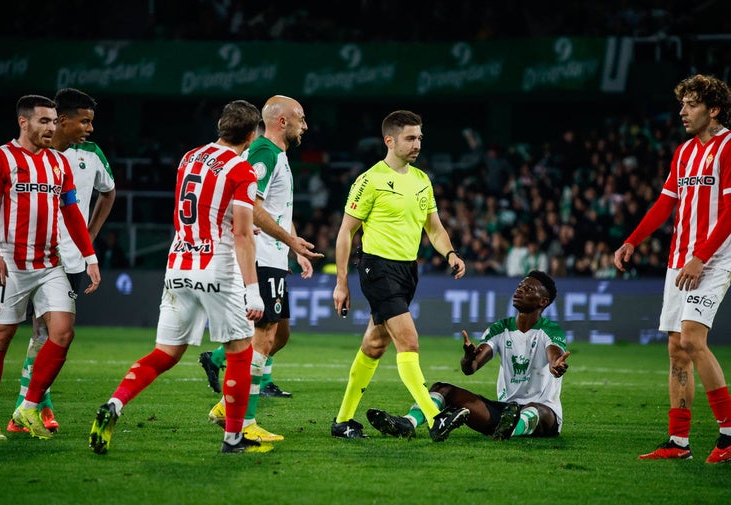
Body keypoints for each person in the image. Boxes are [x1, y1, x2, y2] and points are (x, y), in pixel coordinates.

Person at [88, 99, 272, 455]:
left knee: (166, 353)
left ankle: (115, 403)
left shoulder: (190, 157)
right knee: (239, 352)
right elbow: (242, 235)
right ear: (251, 136)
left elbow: (202, 207)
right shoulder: (242, 170)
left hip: (178, 265)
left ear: (220, 125)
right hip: (217, 268)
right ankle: (234, 438)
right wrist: (253, 290)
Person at [330, 109, 469, 442]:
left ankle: (343, 421)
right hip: (377, 268)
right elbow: (346, 232)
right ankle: (436, 419)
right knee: (408, 341)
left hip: (408, 271)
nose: (417, 143)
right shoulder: (369, 180)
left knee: (375, 345)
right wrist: (341, 283)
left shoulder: (422, 180)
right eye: (410, 137)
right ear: (389, 140)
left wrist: (449, 252)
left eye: (420, 137)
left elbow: (434, 228)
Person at [614, 74, 731, 464]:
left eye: (691, 104)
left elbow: (730, 211)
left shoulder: (728, 147)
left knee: (694, 340)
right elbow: (665, 204)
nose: (682, 111)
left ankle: (729, 435)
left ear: (713, 109)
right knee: (677, 350)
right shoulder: (683, 152)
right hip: (680, 260)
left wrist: (701, 257)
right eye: (682, 104)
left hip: (713, 259)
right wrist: (632, 240)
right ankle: (678, 443)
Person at [0, 94, 101, 441]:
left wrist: (89, 256)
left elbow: (73, 213)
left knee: (62, 332)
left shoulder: (58, 164)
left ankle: (28, 407)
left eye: (53, 121)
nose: (51, 127)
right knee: (0, 339)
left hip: (49, 263)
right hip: (10, 265)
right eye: (44, 121)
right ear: (24, 122)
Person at [204, 97, 322, 443]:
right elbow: (251, 206)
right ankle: (243, 419)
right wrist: (288, 240)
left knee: (276, 335)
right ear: (282, 121)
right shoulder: (264, 154)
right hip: (260, 257)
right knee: (262, 337)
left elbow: (277, 209)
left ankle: (230, 408)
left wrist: (293, 245)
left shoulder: (277, 156)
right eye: (300, 118)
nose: (305, 125)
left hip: (275, 256)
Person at [7, 87, 116, 434]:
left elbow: (109, 191)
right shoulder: (31, 155)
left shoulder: (91, 154)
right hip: (28, 256)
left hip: (69, 259)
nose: (89, 128)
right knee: (37, 331)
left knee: (50, 334)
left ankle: (33, 405)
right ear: (62, 120)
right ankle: (32, 406)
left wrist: (90, 236)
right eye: (83, 121)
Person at [366, 270, 570, 441]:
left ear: (542, 301)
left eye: (528, 289)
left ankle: (510, 430)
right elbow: (470, 369)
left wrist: (555, 365)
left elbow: (554, 353)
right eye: (520, 286)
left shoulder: (550, 330)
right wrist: (469, 358)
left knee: (533, 409)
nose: (519, 290)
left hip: (545, 416)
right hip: (505, 411)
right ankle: (408, 422)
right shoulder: (500, 328)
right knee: (442, 389)